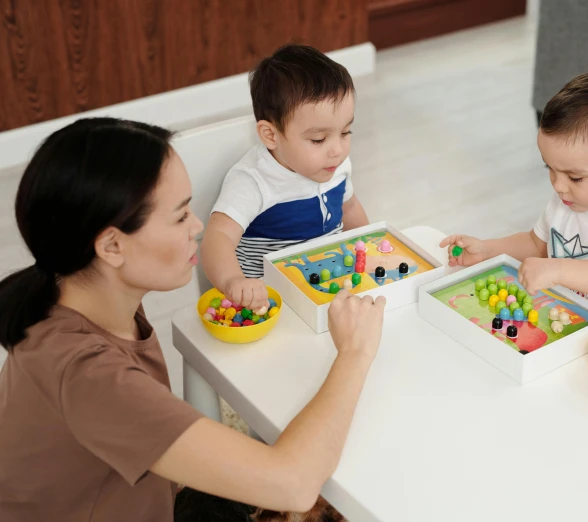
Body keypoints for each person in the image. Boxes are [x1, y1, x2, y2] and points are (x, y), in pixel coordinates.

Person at [0, 118, 385, 522]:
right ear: (112, 245)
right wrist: (355, 353)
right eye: (181, 216)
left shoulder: (86, 294)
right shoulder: (87, 375)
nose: (198, 228)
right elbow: (293, 483)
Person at [441, 73, 588, 330]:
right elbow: (537, 245)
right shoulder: (569, 199)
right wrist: (486, 249)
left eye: (575, 177)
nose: (558, 186)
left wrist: (561, 270)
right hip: (568, 327)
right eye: (549, 168)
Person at [201, 44, 370, 312]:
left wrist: (367, 250)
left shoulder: (336, 165)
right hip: (270, 301)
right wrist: (234, 281)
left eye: (346, 132)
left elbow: (349, 208)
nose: (337, 150)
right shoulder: (253, 181)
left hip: (330, 288)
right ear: (271, 136)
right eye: (319, 139)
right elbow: (217, 237)